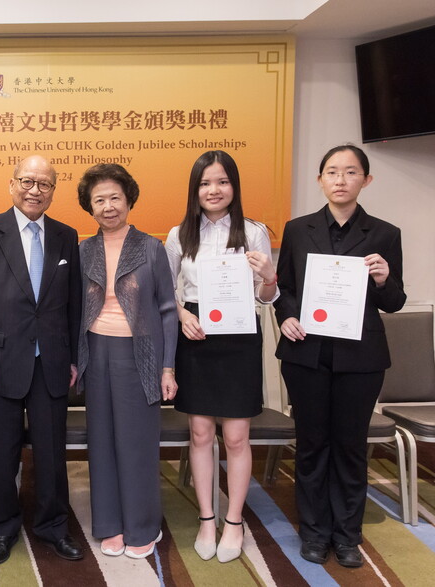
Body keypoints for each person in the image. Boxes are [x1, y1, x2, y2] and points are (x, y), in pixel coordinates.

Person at [274, 144, 405, 568]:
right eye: (332, 171)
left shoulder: (385, 233)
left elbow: (395, 301)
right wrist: (288, 316)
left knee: (350, 446)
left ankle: (347, 535)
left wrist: (385, 279)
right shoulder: (297, 229)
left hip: (361, 358)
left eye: (351, 172)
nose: (340, 179)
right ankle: (313, 533)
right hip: (306, 354)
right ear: (320, 180)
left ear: (365, 180)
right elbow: (285, 289)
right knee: (312, 444)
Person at [0, 155, 83, 564]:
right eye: (27, 181)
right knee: (1, 451)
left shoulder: (67, 236)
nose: (35, 190)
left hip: (50, 360)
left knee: (52, 451)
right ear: (11, 184)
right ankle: (0, 529)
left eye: (45, 184)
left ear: (54, 189)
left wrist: (71, 358)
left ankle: (52, 526)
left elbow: (74, 304)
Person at [165, 150, 277, 563]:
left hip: (239, 336)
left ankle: (234, 521)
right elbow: (167, 290)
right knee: (199, 433)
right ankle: (206, 519)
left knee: (236, 436)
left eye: (222, 182)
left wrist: (268, 276)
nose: (214, 190)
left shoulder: (254, 232)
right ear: (195, 190)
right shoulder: (179, 235)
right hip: (196, 336)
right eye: (205, 183)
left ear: (234, 186)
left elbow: (267, 296)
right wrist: (180, 317)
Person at [75, 163, 178, 559]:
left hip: (141, 356)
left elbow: (168, 309)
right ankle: (109, 524)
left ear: (129, 199)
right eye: (99, 199)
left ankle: (142, 525)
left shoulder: (151, 247)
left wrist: (168, 367)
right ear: (90, 207)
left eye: (114, 197)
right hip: (95, 353)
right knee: (100, 442)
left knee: (136, 444)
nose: (108, 206)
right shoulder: (83, 250)